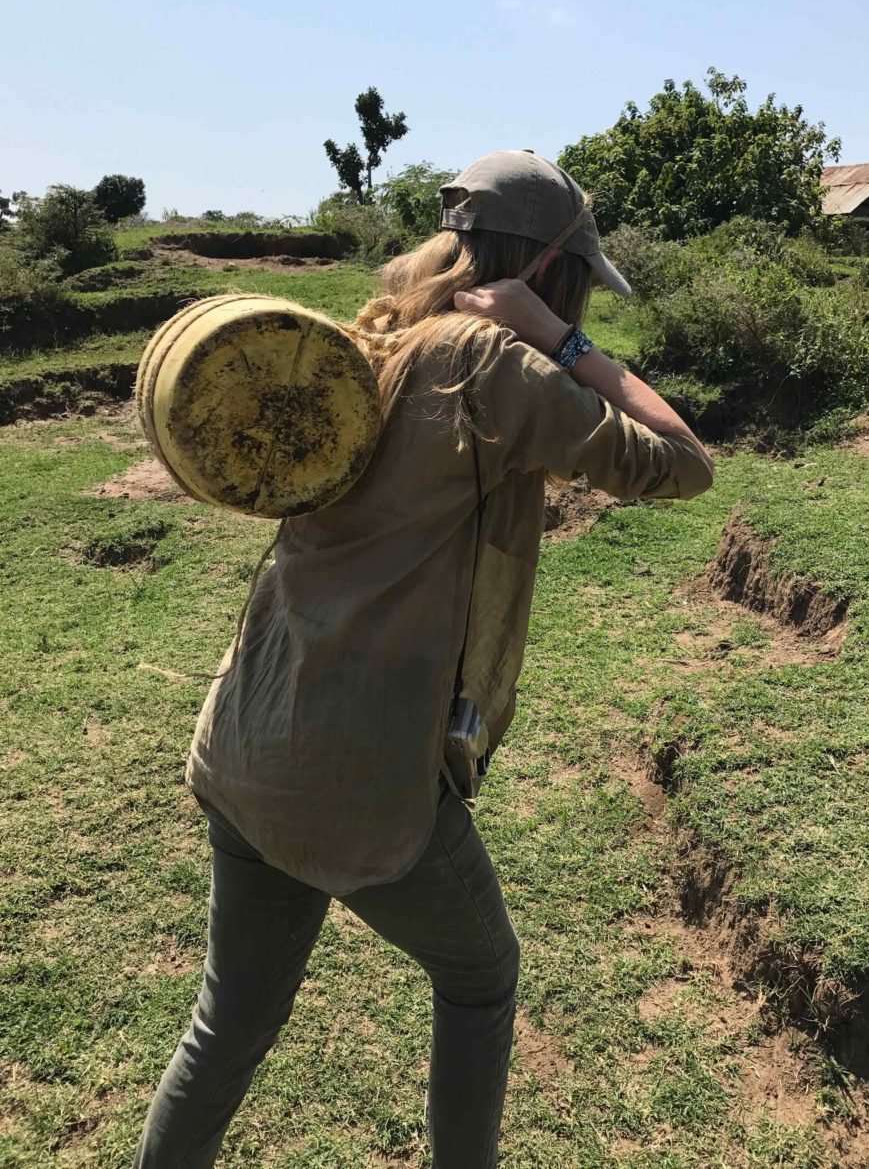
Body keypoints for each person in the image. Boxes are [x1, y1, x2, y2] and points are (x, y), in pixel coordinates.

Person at [132, 151, 714, 1168]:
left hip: (251, 735)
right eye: (576, 284)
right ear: (547, 267)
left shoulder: (377, 336)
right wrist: (562, 340)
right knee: (482, 978)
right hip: (360, 773)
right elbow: (684, 461)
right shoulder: (495, 365)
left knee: (226, 1026)